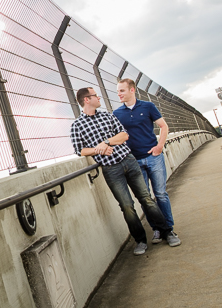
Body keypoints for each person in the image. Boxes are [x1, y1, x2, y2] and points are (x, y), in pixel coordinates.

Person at [70, 87, 172, 255]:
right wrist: (98, 149)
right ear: (87, 100)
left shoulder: (108, 116)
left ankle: (167, 232)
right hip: (111, 169)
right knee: (127, 206)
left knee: (146, 198)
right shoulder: (77, 126)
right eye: (95, 95)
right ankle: (140, 241)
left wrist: (107, 142)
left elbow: (124, 135)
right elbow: (80, 150)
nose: (99, 97)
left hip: (129, 161)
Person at [113, 78, 181, 247]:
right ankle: (157, 229)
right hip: (134, 161)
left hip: (153, 157)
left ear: (132, 90)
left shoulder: (148, 106)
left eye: (122, 90)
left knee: (160, 194)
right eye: (118, 91)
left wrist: (159, 146)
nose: (119, 94)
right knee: (145, 198)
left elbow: (163, 127)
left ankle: (169, 229)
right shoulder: (117, 114)